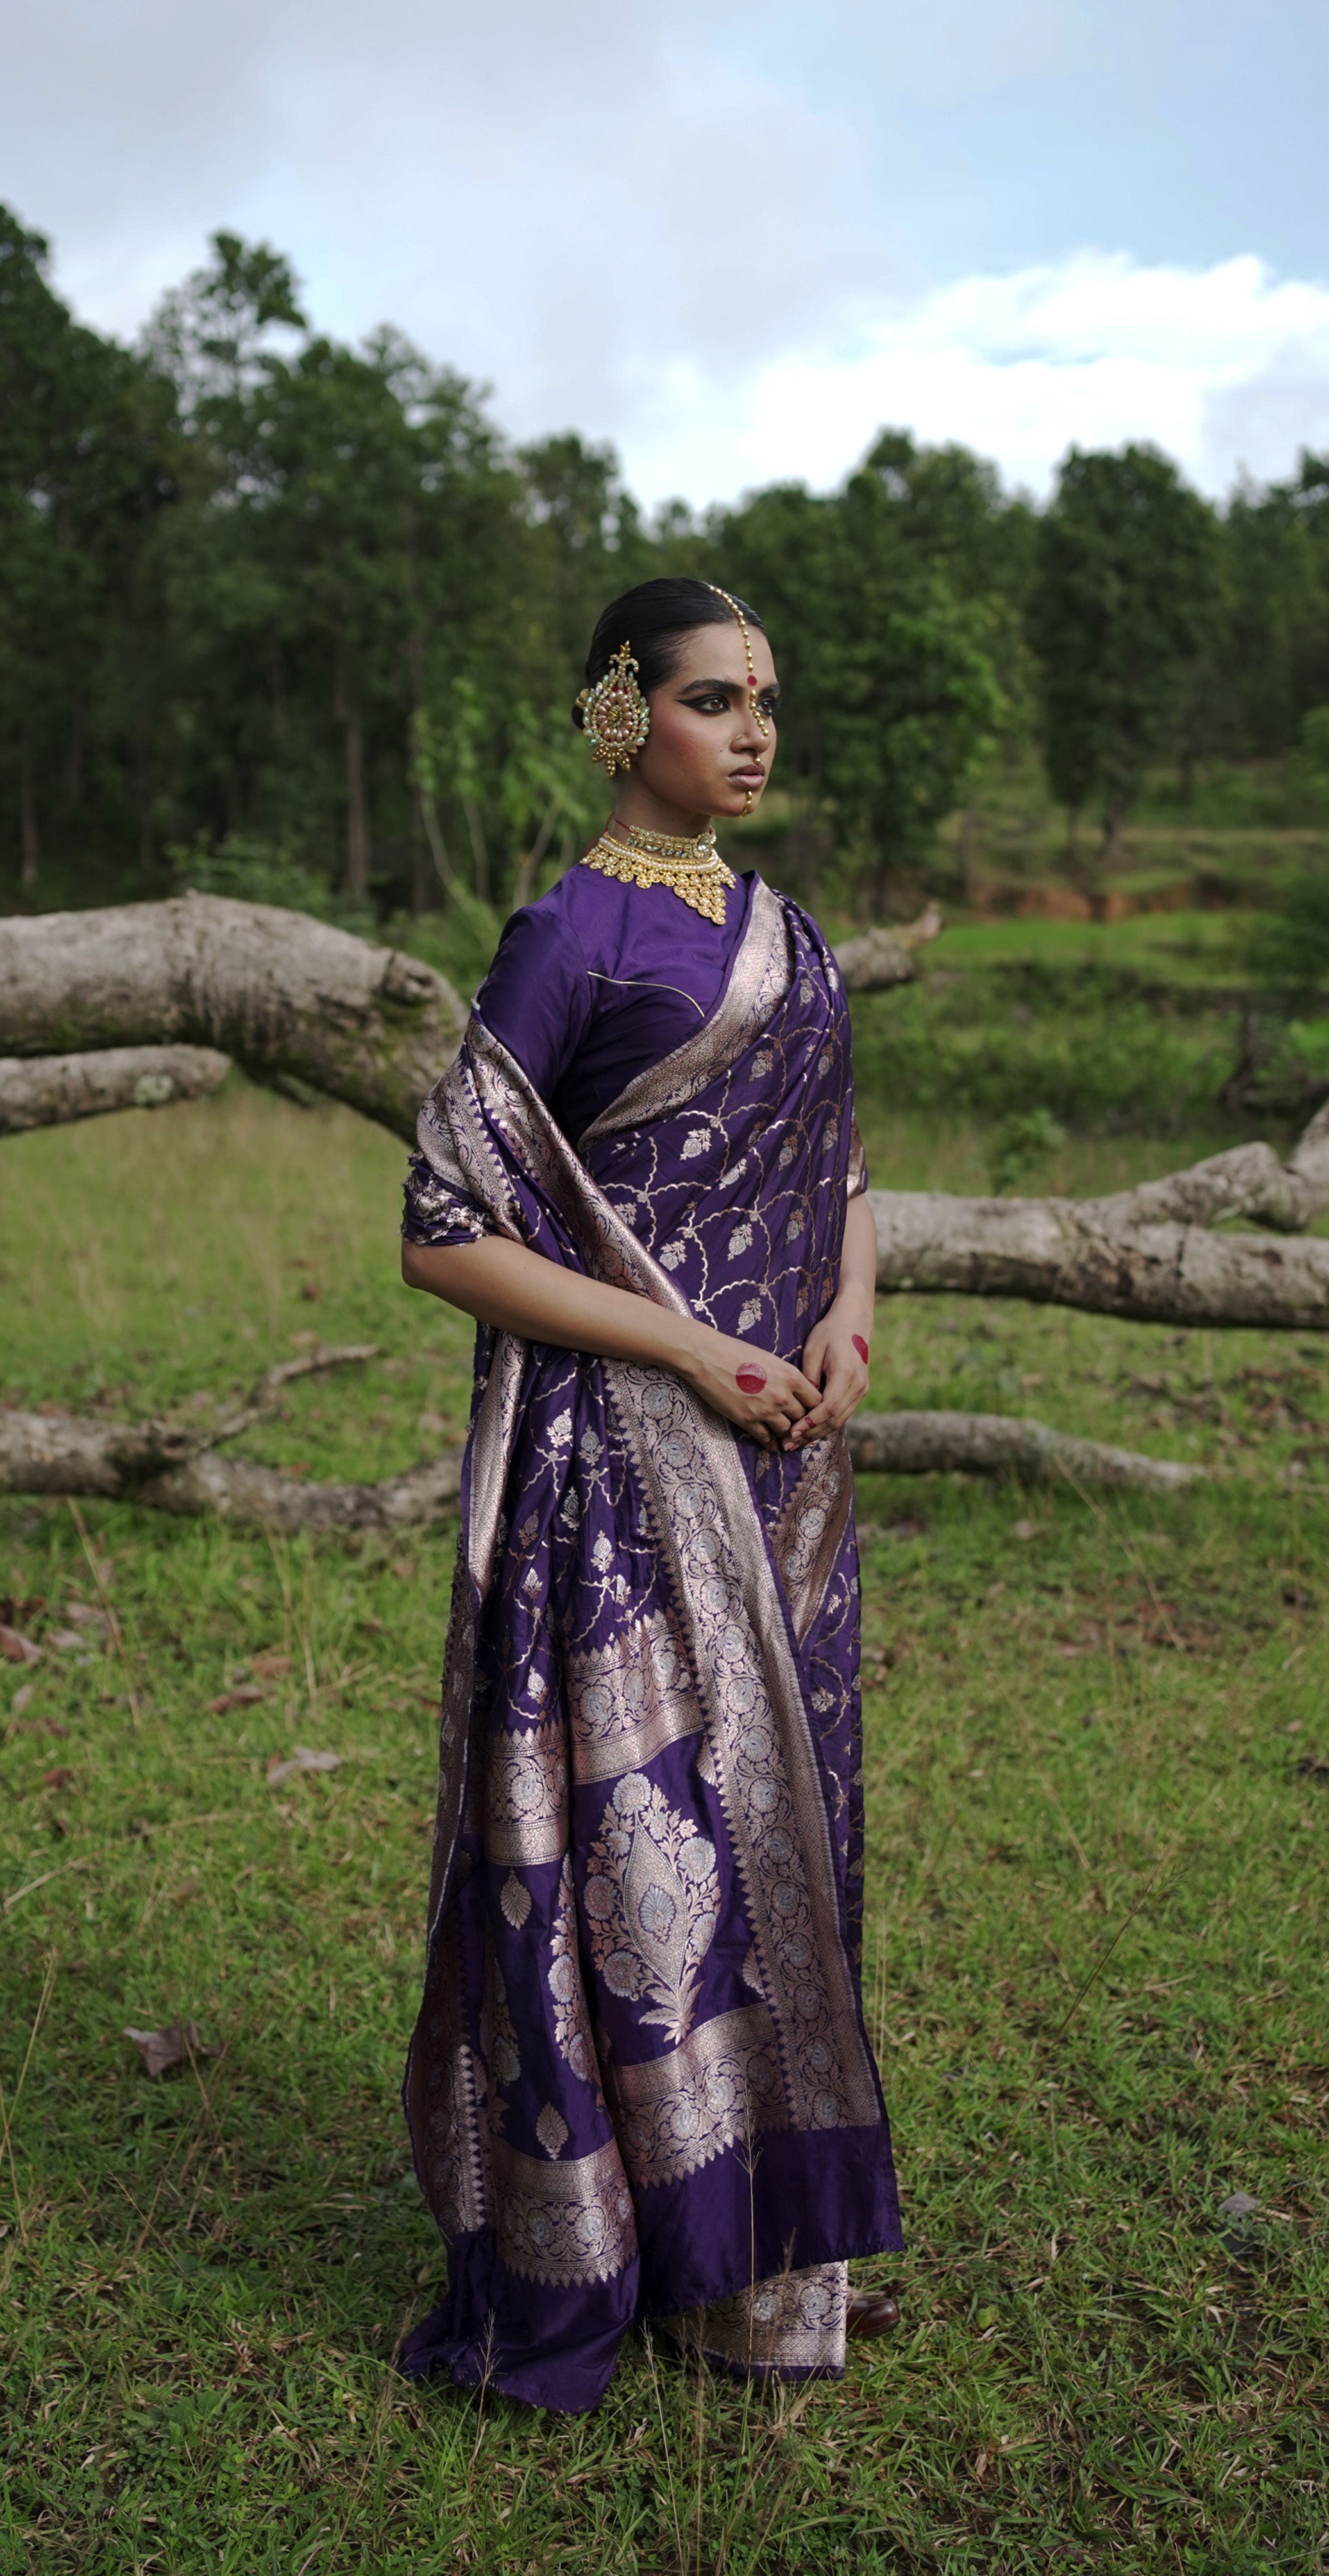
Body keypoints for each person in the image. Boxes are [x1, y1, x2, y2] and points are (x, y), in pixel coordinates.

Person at [394, 575, 902, 2412]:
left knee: (784, 1846)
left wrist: (847, 1313)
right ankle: (608, 2248)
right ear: (625, 719)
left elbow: (840, 1163)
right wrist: (689, 1351)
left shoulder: (793, 928)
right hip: (619, 1475)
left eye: (768, 695)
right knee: (639, 1862)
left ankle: (762, 2268)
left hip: (793, 1476)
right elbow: (445, 1231)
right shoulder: (569, 935)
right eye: (713, 698)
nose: (754, 728)